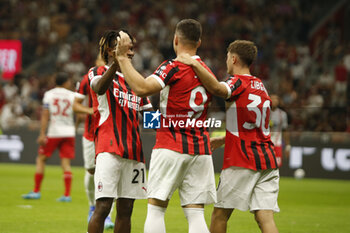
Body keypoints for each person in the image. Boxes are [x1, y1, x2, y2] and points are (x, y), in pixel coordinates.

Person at [116, 19, 217, 233]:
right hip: (200, 150)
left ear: (176, 39)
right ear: (199, 42)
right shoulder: (208, 73)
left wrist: (122, 58)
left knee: (156, 210)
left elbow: (142, 88)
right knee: (196, 214)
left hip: (171, 146)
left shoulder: (172, 67)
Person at [176, 40, 279, 233]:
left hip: (242, 159)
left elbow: (217, 89)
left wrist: (195, 63)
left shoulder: (237, 82)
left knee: (220, 214)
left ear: (233, 58)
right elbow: (252, 125)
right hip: (268, 160)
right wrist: (224, 139)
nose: (226, 62)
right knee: (264, 217)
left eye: (226, 58)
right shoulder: (261, 86)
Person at [87, 30, 152, 233]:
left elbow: (150, 119)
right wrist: (118, 61)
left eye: (131, 48)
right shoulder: (98, 72)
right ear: (110, 49)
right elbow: (98, 88)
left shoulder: (136, 81)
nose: (130, 52)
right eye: (126, 47)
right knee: (104, 206)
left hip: (134, 152)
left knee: (126, 209)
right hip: (108, 148)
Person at [22, 72, 90, 202]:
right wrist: (74, 128)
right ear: (65, 82)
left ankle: (36, 191)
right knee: (66, 163)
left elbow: (45, 115)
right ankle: (66, 194)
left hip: (54, 132)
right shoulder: (73, 95)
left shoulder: (49, 95)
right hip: (68, 133)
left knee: (41, 159)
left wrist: (42, 134)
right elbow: (81, 116)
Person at [73, 55, 114, 229]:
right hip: (91, 134)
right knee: (91, 171)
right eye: (100, 60)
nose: (102, 63)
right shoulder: (88, 78)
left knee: (109, 174)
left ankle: (108, 216)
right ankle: (92, 205)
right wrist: (90, 110)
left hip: (111, 135)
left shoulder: (122, 77)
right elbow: (75, 105)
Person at [270, 94, 290, 167]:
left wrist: (288, 146)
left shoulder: (282, 114)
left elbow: (285, 130)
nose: (275, 101)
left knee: (276, 166)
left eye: (276, 99)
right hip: (265, 144)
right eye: (273, 99)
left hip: (277, 144)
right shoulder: (263, 112)